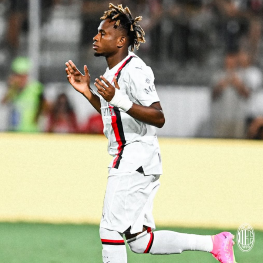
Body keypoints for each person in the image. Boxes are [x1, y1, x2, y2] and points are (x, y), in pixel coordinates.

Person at [65, 3, 236, 263]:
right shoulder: (113, 73)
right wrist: (89, 93)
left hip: (135, 158)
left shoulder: (135, 70)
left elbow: (158, 116)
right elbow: (116, 113)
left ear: (121, 40)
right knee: (139, 240)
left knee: (110, 229)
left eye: (103, 33)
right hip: (136, 159)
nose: (95, 37)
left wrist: (118, 99)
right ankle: (215, 243)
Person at [1, 56, 45, 132]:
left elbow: (45, 106)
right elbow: (3, 102)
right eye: (17, 75)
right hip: (14, 131)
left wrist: (37, 117)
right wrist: (12, 88)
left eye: (22, 76)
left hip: (31, 131)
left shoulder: (36, 88)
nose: (20, 79)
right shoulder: (13, 89)